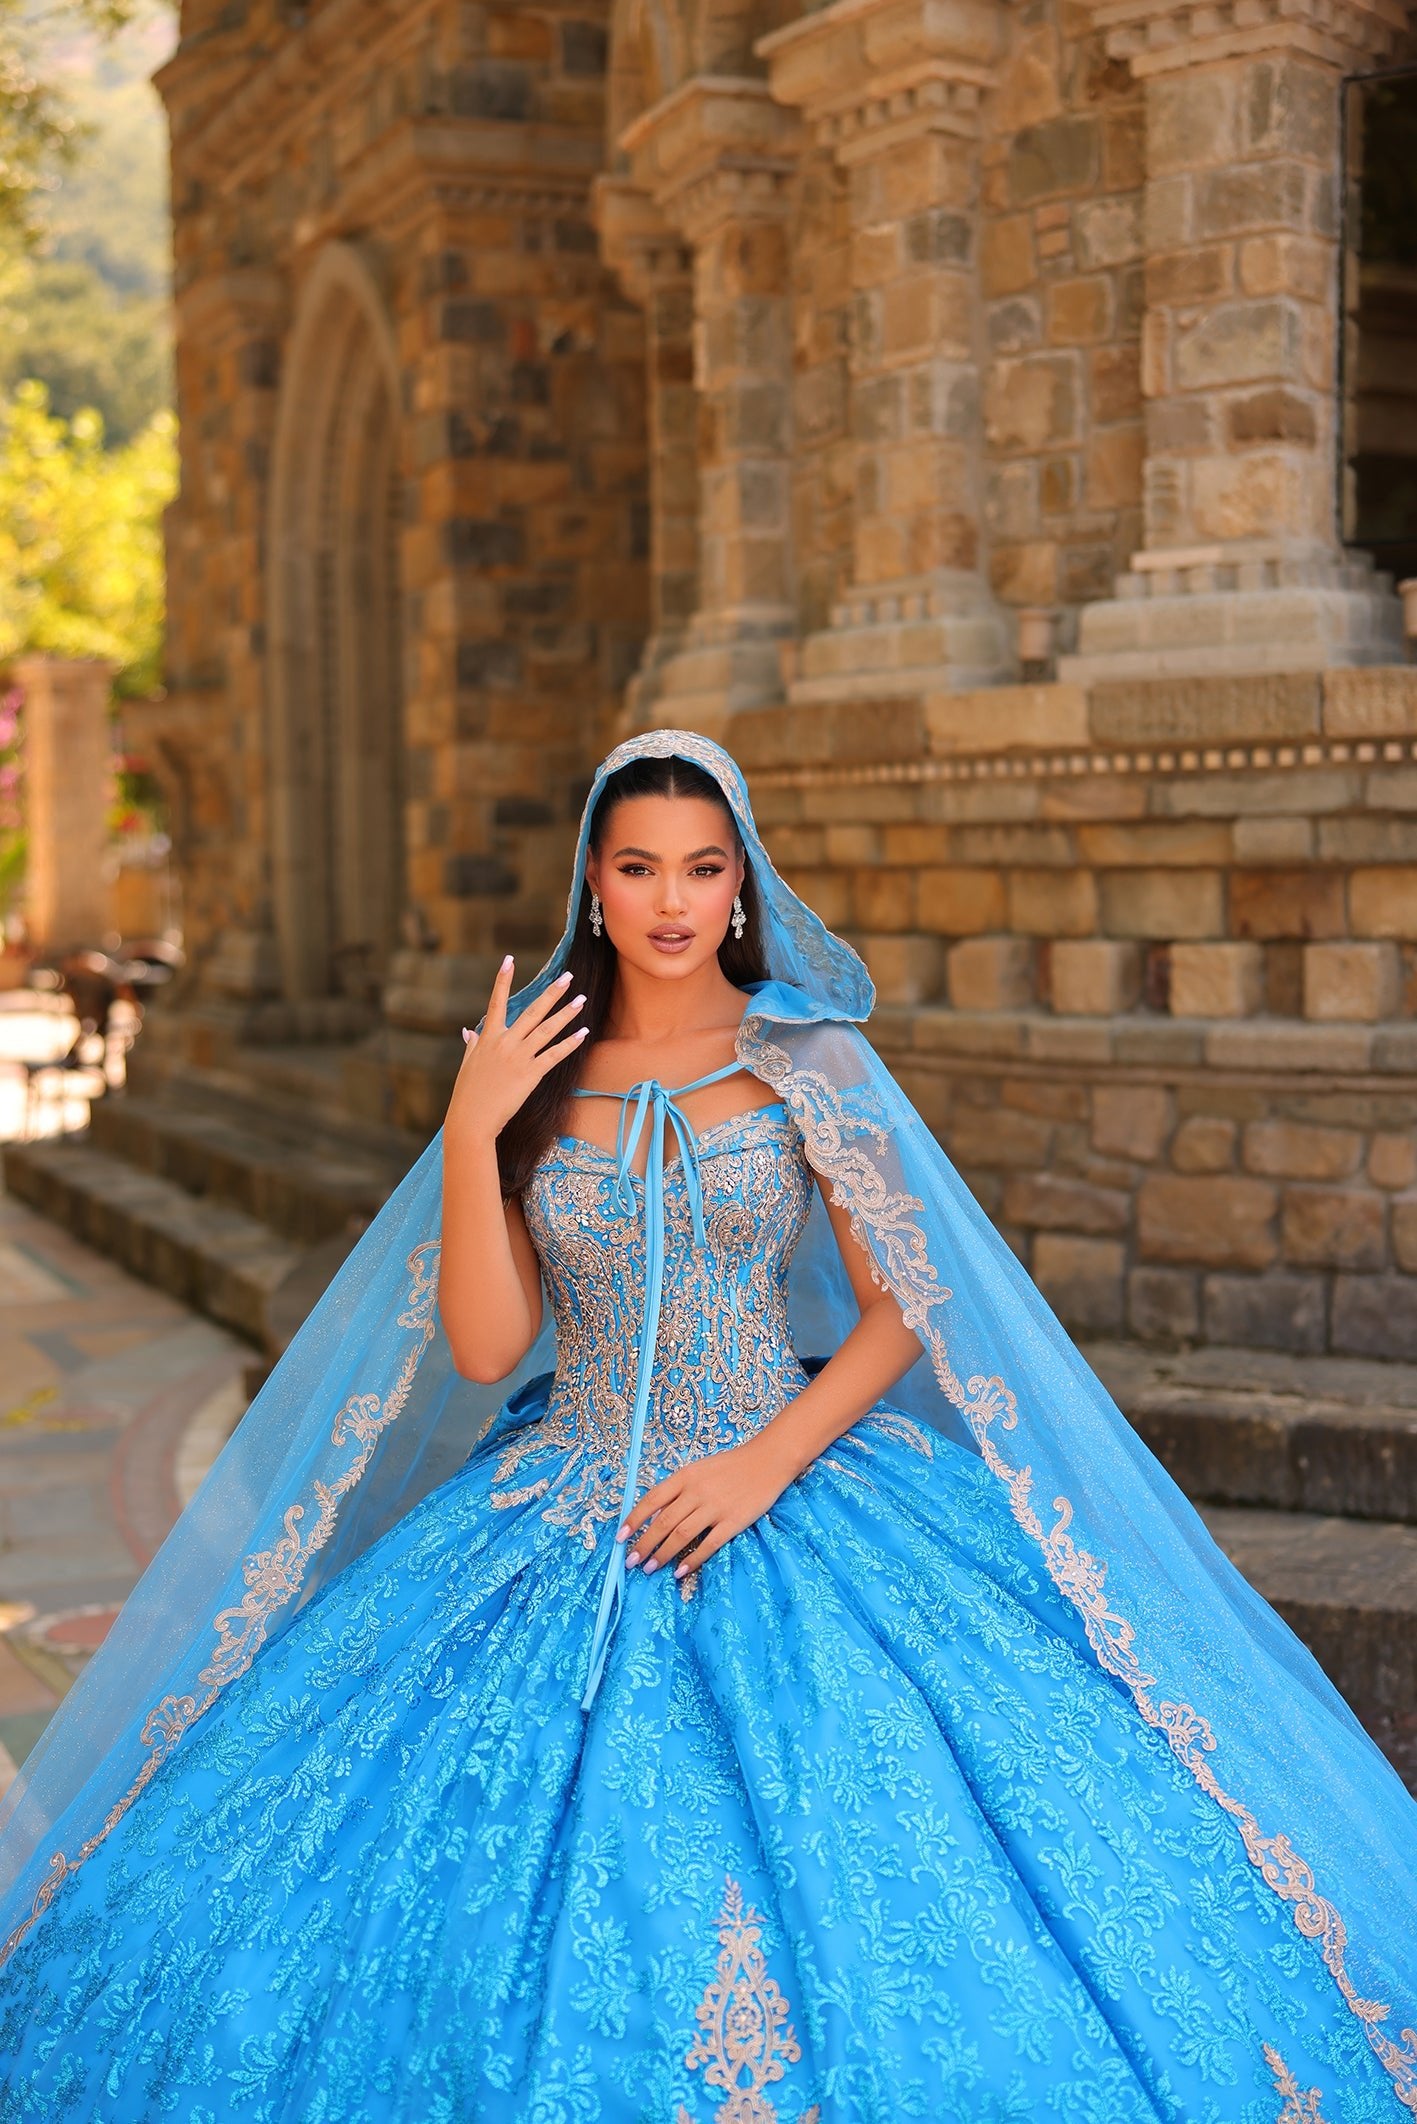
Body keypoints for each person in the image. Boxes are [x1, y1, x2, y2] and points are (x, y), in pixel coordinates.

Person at [1, 730, 1414, 2124]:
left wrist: (761, 1461)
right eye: (637, 868)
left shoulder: (807, 1056)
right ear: (593, 886)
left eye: (699, 868)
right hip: (561, 1497)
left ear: (739, 884)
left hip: (783, 1470)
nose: (670, 903)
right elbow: (492, 1346)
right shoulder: (535, 1066)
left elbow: (898, 1307)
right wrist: (478, 1123)